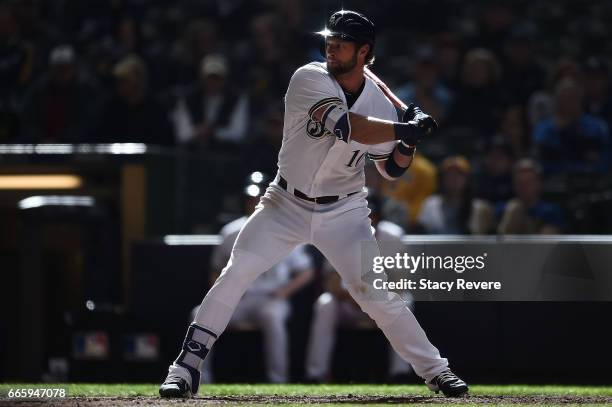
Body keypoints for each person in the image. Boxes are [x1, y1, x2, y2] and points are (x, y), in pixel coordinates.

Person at [160, 10, 468, 398]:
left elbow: (391, 170)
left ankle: (437, 371)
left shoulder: (382, 104)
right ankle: (184, 369)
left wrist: (408, 142)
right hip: (285, 201)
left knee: (375, 293)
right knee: (236, 273)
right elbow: (345, 126)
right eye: (330, 39)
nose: (331, 46)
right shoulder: (309, 77)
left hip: (345, 209)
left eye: (341, 42)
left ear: (364, 51)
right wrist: (404, 127)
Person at [196, 172, 314, 383]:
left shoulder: (285, 229)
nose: (253, 203)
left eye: (258, 198)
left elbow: (306, 271)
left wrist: (284, 291)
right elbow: (215, 269)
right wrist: (224, 291)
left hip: (270, 298)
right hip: (238, 298)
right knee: (199, 313)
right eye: (250, 199)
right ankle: (200, 376)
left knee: (273, 316)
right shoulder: (231, 231)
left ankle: (278, 380)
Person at [304, 192, 413, 383]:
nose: (367, 219)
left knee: (405, 301)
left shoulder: (393, 236)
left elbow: (401, 282)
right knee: (325, 304)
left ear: (379, 216)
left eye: (371, 214)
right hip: (349, 302)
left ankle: (400, 373)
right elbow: (330, 281)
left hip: (382, 302)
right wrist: (354, 298)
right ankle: (316, 373)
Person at [419, 156, 493, 235]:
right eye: (449, 174)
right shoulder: (430, 204)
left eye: (459, 174)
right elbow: (423, 232)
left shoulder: (480, 208)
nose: (453, 178)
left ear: (468, 179)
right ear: (442, 178)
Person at [497, 159, 563, 234]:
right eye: (519, 183)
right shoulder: (503, 209)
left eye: (528, 182)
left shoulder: (549, 212)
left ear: (538, 184)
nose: (523, 187)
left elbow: (547, 242)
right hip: (505, 244)